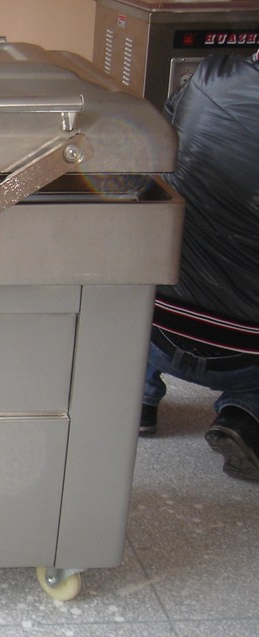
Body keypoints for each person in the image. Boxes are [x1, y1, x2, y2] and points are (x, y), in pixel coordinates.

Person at [139, 48, 259, 482]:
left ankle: (137, 398)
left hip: (152, 328)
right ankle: (245, 413)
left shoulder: (210, 77)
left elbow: (160, 149)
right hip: (245, 353)